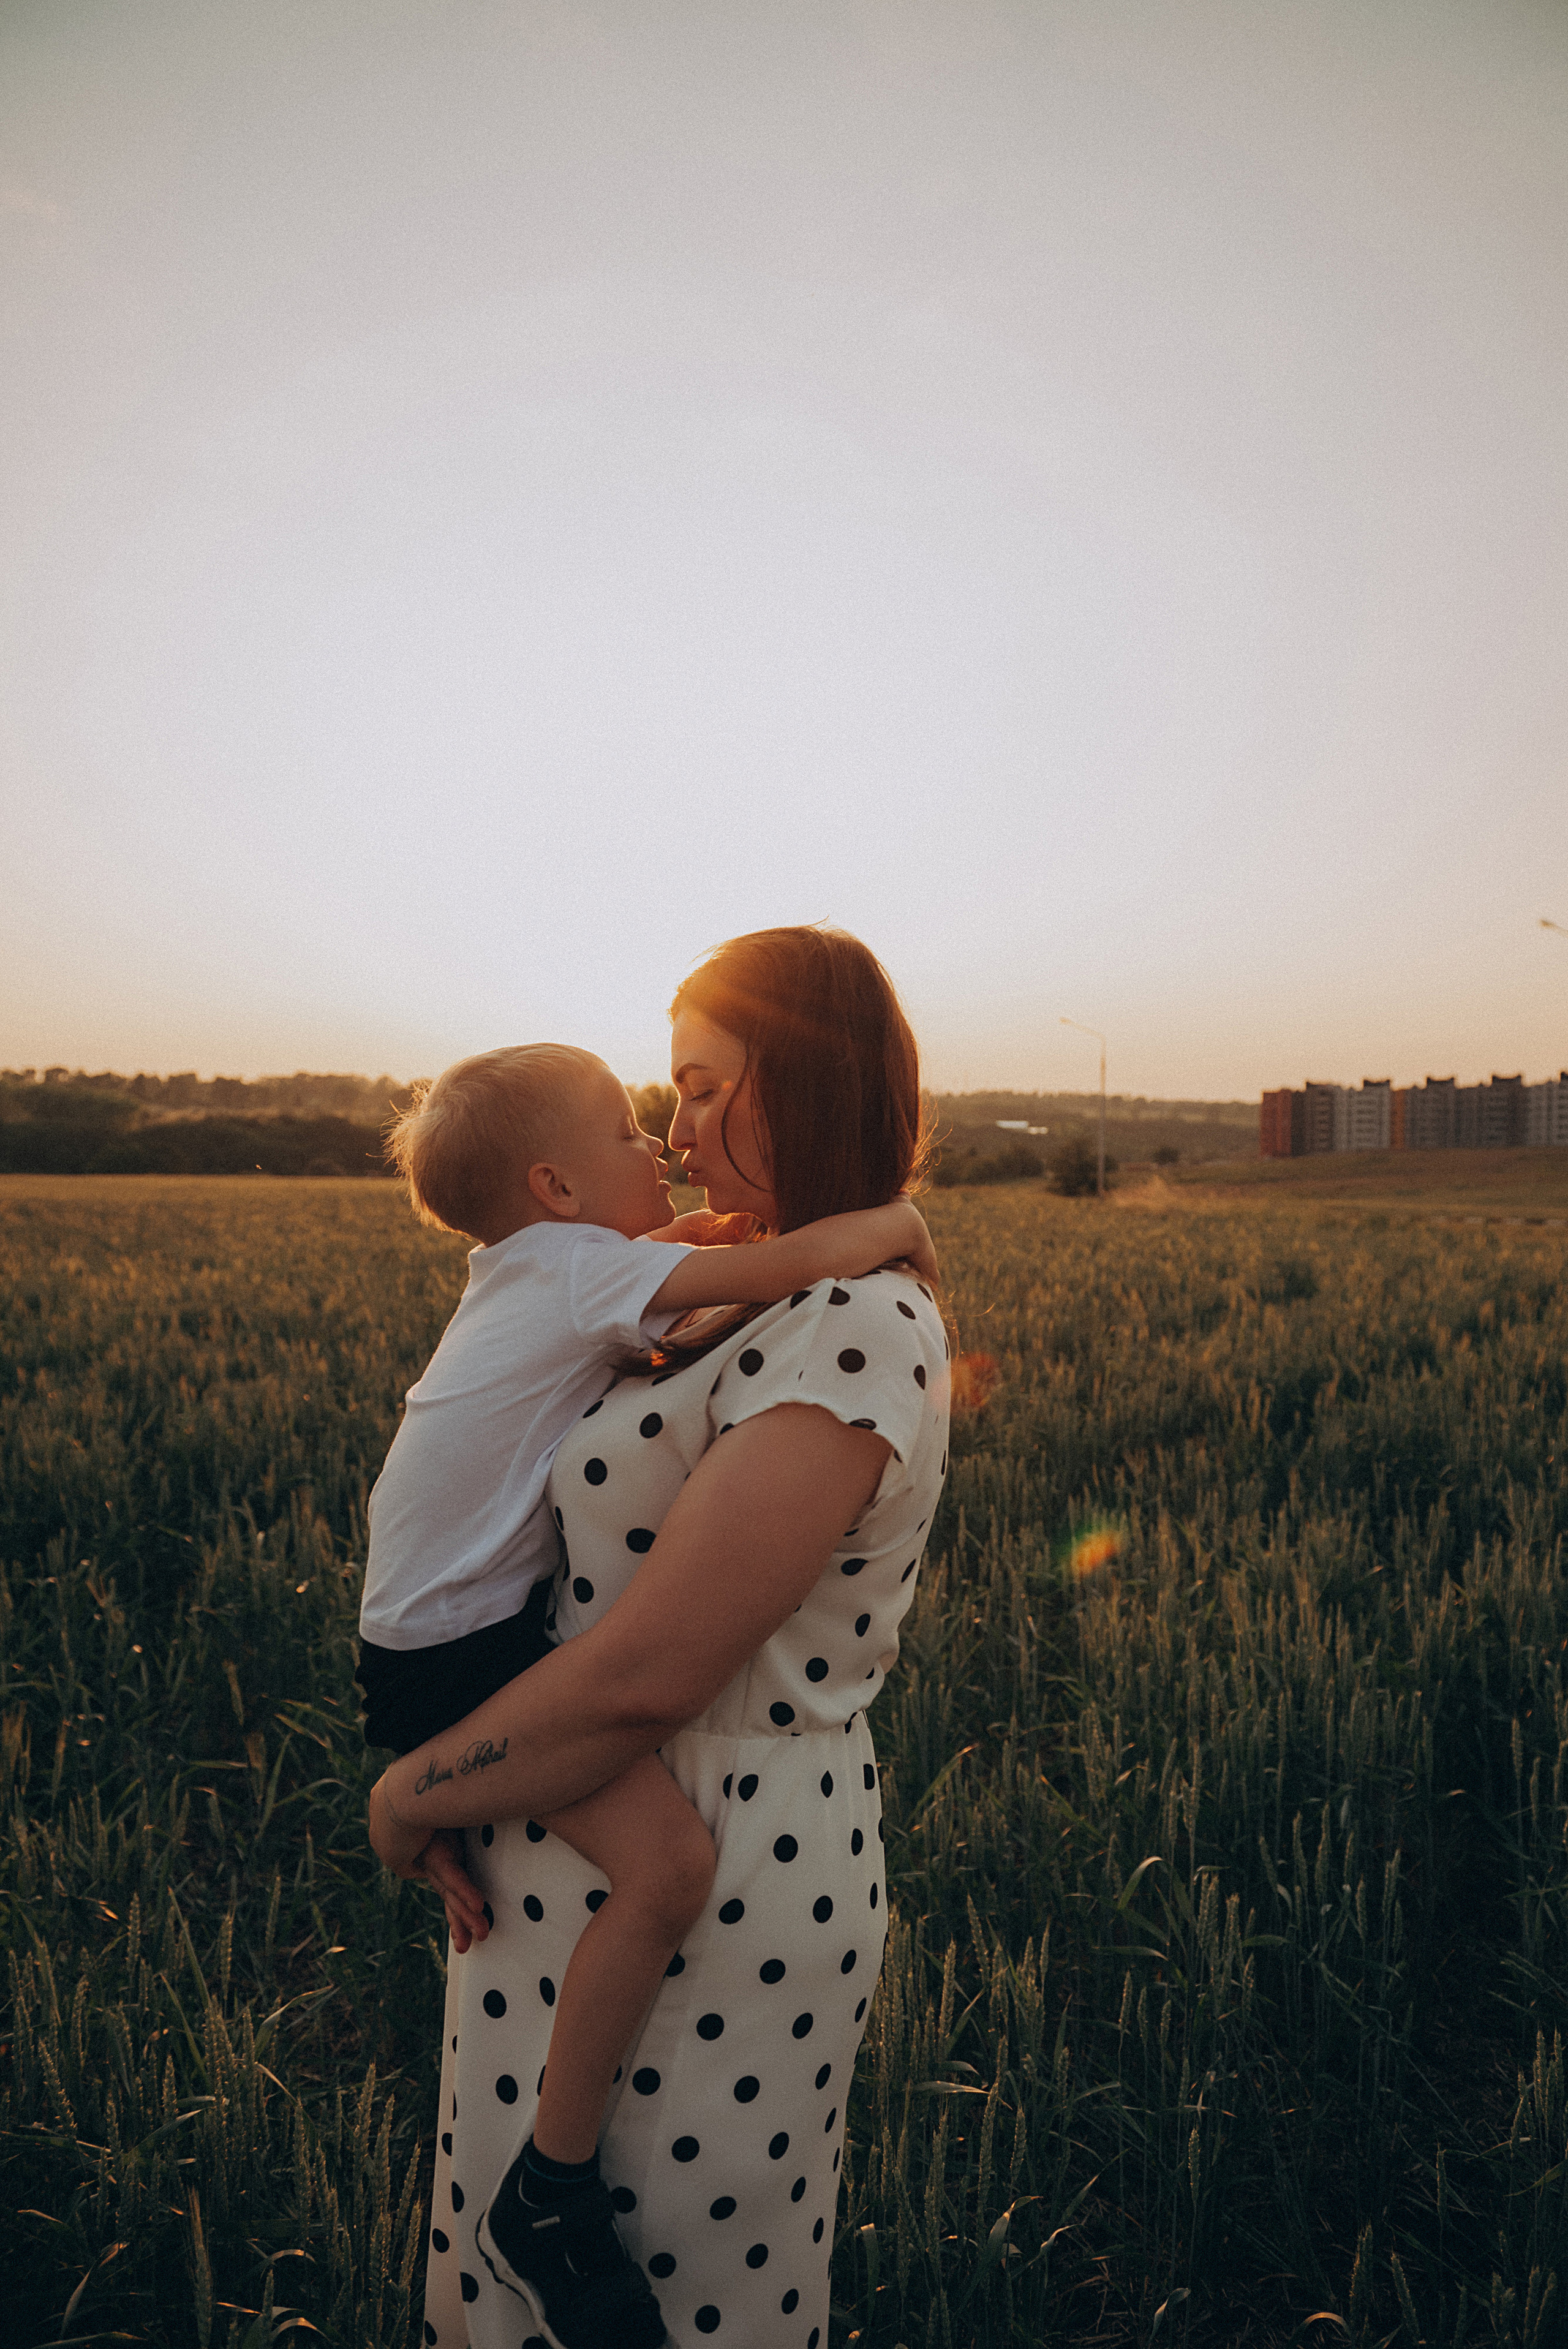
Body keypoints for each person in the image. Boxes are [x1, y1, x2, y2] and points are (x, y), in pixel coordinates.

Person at [370, 926, 952, 2349]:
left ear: (801, 1083)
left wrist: (409, 1788)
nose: (676, 1133)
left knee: (688, 2304)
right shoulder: (696, 1295)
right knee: (510, 2311)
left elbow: (648, 1673)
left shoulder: (850, 1325)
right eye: (658, 1102)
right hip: (558, 1862)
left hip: (714, 1874)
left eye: (698, 1089)